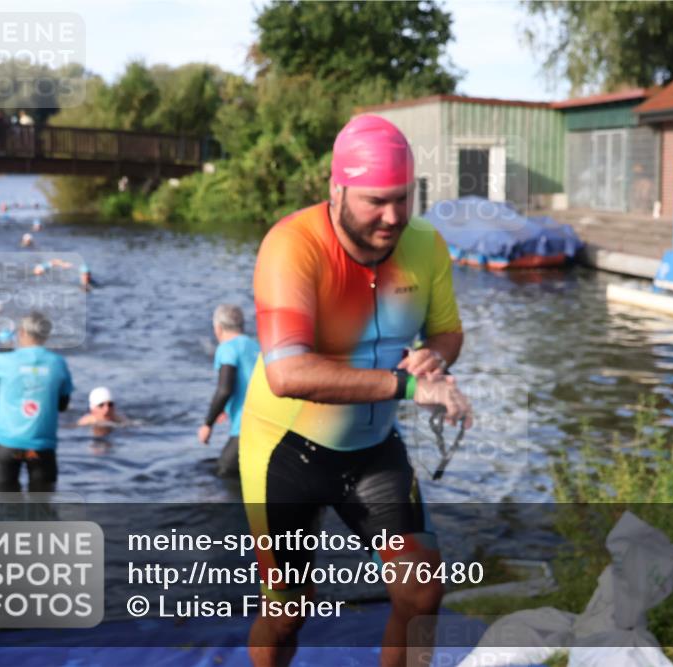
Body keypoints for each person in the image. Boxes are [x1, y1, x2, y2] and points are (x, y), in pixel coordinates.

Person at [241, 114, 472, 667]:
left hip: (373, 451)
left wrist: (434, 357)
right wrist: (407, 383)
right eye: (375, 201)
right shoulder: (292, 246)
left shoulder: (425, 244)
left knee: (422, 592)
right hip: (284, 451)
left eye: (403, 198)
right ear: (337, 188)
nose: (392, 216)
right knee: (289, 608)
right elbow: (288, 374)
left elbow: (448, 331)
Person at [0, 312, 74, 492]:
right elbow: (62, 406)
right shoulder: (58, 363)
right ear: (46, 335)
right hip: (41, 447)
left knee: (4, 507)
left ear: (22, 332)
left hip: (8, 444)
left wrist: (5, 351)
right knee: (42, 509)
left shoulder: (6, 361)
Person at [197, 304, 260, 478]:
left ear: (218, 328)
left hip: (245, 427)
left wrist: (207, 424)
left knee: (223, 473)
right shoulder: (256, 347)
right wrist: (225, 408)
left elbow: (224, 389)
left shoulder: (227, 348)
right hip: (267, 425)